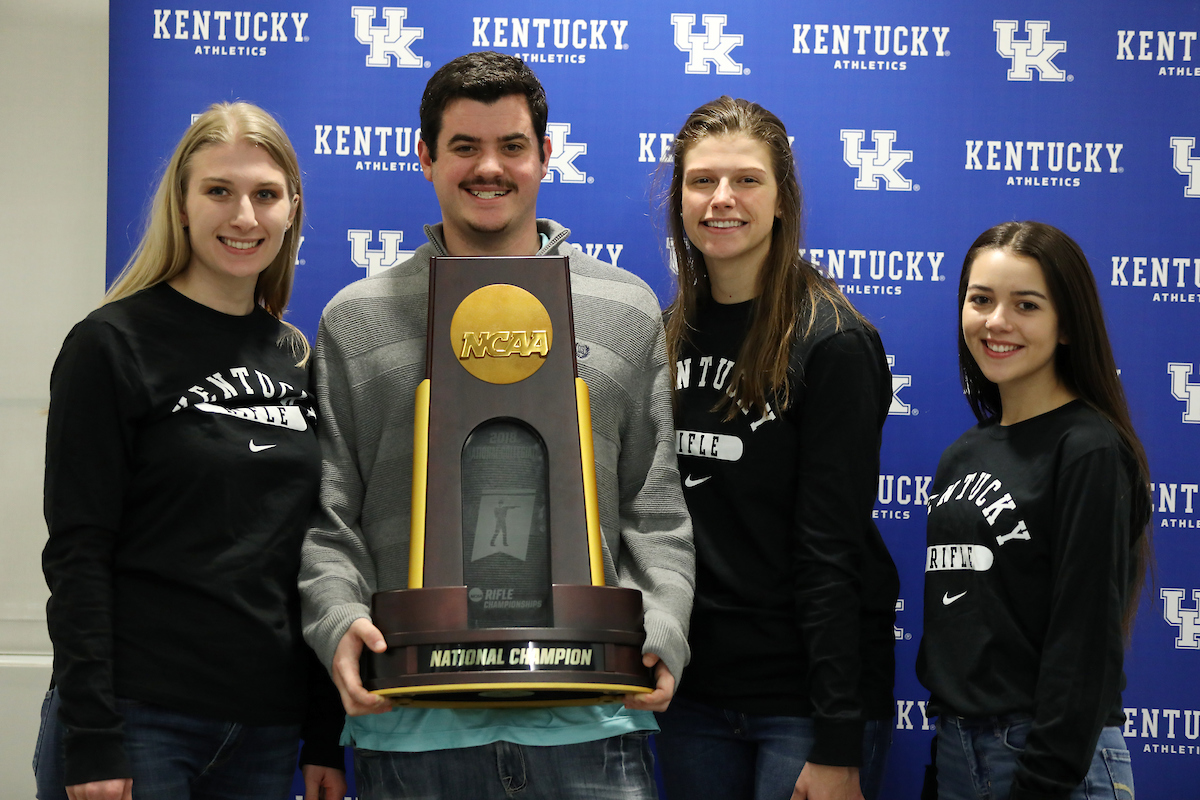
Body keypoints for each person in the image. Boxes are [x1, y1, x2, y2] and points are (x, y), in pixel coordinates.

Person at [298, 51, 695, 800]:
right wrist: (338, 620)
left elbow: (656, 508)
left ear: (546, 155)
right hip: (413, 727)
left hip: (593, 723)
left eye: (512, 146)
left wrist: (663, 629)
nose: (490, 167)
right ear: (424, 158)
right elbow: (330, 519)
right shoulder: (353, 321)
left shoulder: (625, 306)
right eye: (464, 147)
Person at [38, 102, 346, 800]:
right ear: (181, 205)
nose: (245, 216)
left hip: (266, 730)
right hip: (138, 719)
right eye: (219, 191)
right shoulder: (111, 344)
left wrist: (323, 732)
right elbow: (78, 550)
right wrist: (91, 737)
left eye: (266, 194)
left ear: (292, 209)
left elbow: (318, 552)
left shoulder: (300, 358)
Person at [655, 96, 899, 800]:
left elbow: (832, 550)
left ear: (783, 199)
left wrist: (837, 740)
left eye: (746, 181)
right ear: (678, 200)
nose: (721, 199)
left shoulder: (834, 343)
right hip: (691, 693)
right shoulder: (667, 332)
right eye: (701, 181)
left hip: (803, 704)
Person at [918, 221, 1151, 800]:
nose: (997, 322)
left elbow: (1085, 641)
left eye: (1026, 304)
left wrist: (1040, 781)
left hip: (1050, 762)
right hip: (957, 753)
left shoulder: (1088, 448)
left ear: (1067, 323)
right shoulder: (961, 455)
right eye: (981, 300)